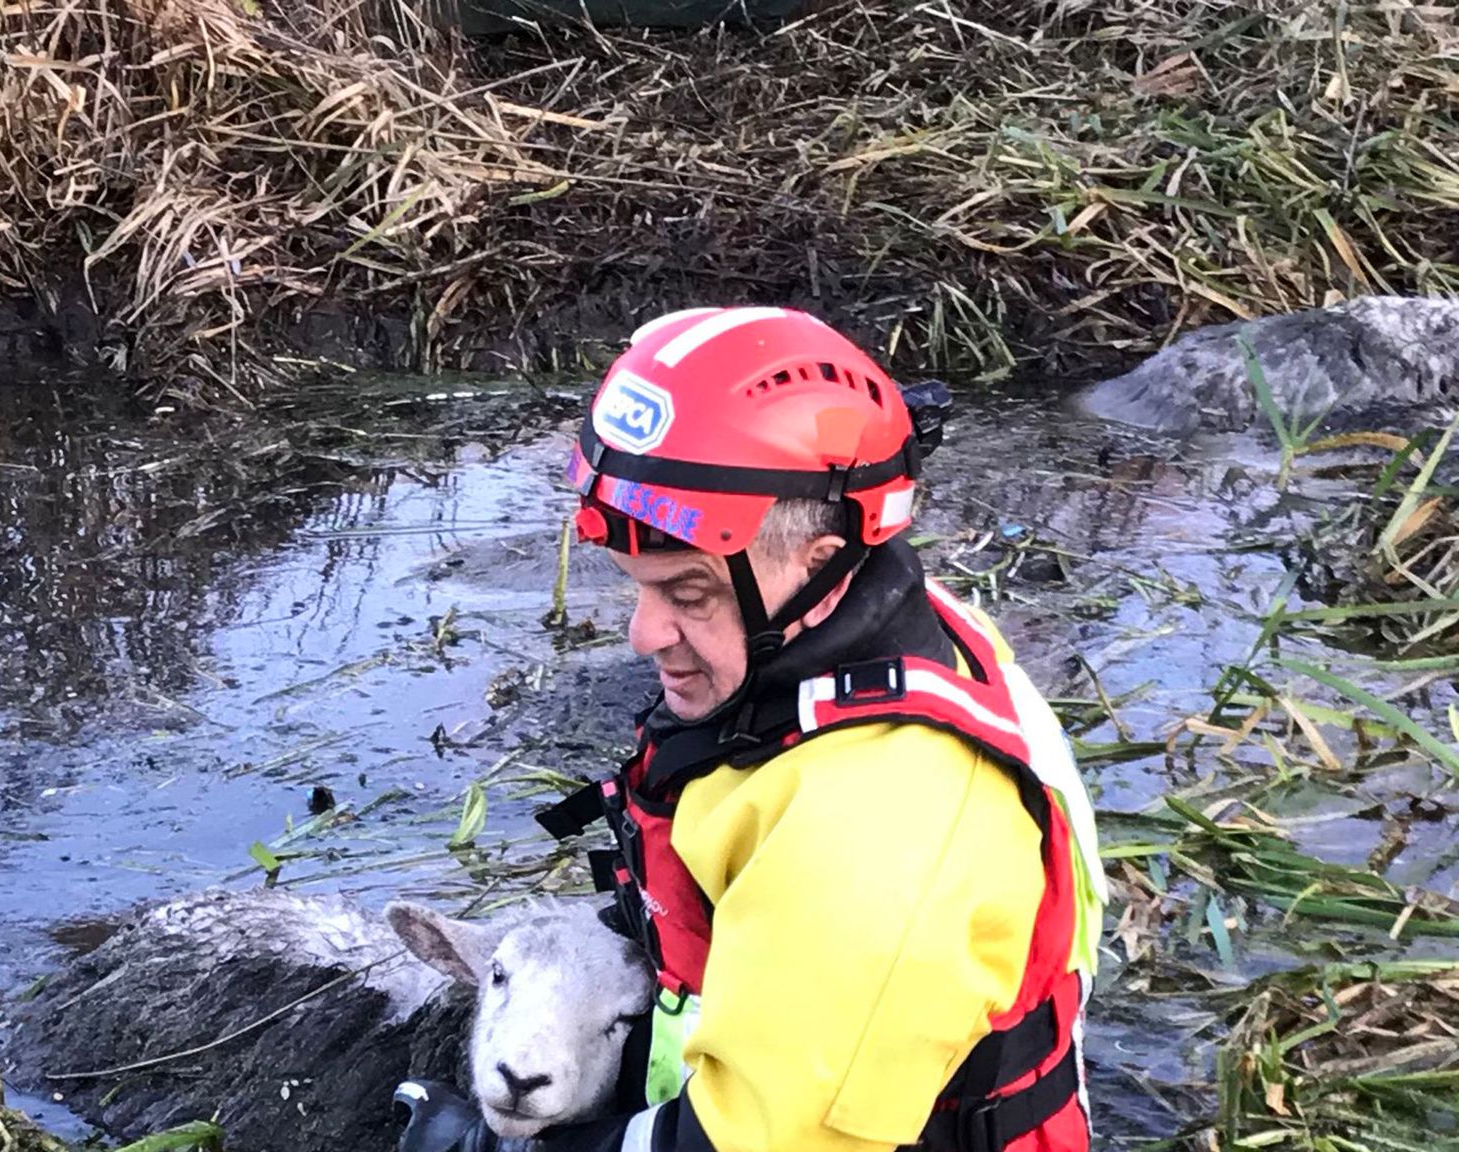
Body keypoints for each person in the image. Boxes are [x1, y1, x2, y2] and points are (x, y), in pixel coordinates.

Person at [394, 307, 1107, 1152]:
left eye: (689, 595)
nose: (644, 634)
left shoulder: (878, 832)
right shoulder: (883, 634)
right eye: (639, 585)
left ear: (820, 557)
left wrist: (488, 1149)